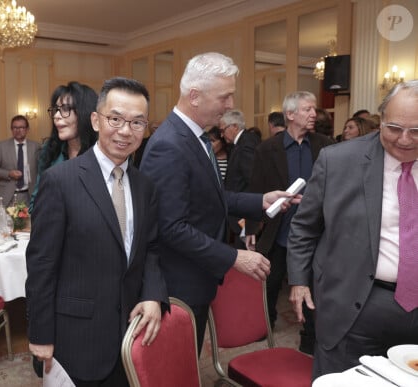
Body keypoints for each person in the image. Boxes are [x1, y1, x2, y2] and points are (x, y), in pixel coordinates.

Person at [139, 52, 298, 351]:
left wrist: (261, 200)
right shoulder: (170, 145)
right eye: (225, 97)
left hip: (196, 276)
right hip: (179, 283)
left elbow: (211, 196)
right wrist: (234, 257)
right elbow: (171, 227)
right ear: (195, 96)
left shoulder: (194, 136)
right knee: (177, 369)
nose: (230, 105)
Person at [26, 77, 168, 386]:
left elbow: (152, 248)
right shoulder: (60, 181)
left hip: (130, 333)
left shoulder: (145, 187)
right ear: (95, 120)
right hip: (77, 337)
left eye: (137, 122)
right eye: (115, 119)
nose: (125, 131)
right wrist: (40, 333)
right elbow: (41, 265)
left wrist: (154, 295)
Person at [287, 80, 418, 379]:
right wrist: (299, 280)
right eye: (394, 128)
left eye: (417, 131)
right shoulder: (339, 160)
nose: (406, 140)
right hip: (354, 305)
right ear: (380, 119)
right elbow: (304, 227)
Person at [245, 91, 333, 353]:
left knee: (314, 286)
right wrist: (251, 227)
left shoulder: (326, 146)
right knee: (271, 283)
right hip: (279, 229)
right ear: (290, 114)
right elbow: (256, 187)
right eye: (307, 109)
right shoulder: (267, 149)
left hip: (316, 232)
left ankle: (310, 336)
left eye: (314, 110)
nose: (313, 114)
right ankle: (265, 324)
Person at [28, 81, 98, 212]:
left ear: (85, 112)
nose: (56, 116)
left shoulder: (102, 155)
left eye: (65, 109)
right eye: (56, 110)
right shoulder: (49, 151)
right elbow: (34, 204)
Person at [221, 109, 261, 249]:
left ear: (235, 127)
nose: (222, 134)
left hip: (245, 213)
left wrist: (250, 217)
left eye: (223, 129)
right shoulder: (242, 142)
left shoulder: (246, 144)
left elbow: (253, 180)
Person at [0, 115, 40, 206]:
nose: (18, 130)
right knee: (6, 220)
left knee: (30, 221)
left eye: (21, 127)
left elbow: (41, 169)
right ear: (11, 129)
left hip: (29, 196)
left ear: (27, 129)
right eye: (15, 127)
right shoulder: (2, 146)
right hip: (8, 196)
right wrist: (9, 173)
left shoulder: (36, 146)